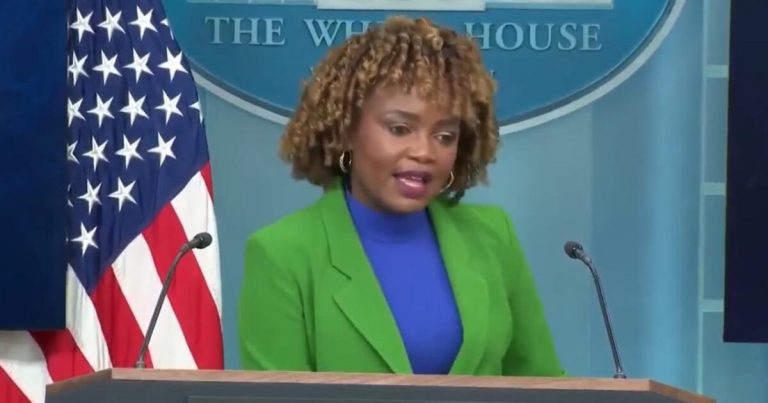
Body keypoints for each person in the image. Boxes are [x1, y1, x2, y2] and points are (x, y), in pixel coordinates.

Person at [238, 15, 564, 377]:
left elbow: (543, 382)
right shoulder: (282, 254)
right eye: (400, 129)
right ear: (346, 129)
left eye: (445, 136)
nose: (424, 152)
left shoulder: (493, 236)